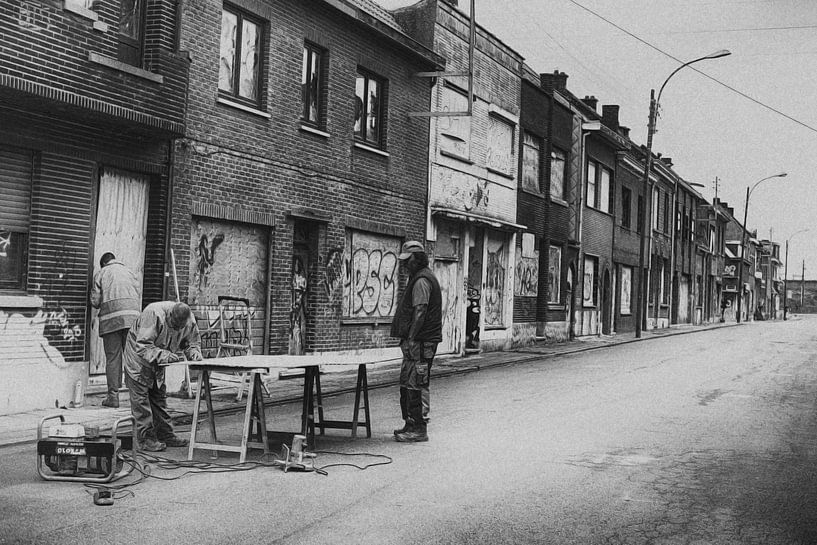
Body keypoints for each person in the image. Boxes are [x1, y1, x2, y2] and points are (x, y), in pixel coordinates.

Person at [123, 301, 203, 451]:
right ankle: (145, 439)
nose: (177, 329)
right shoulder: (153, 314)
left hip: (157, 361)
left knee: (158, 397)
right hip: (138, 360)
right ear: (170, 314)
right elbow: (143, 346)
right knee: (141, 401)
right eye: (174, 325)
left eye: (180, 327)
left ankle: (165, 434)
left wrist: (194, 352)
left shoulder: (189, 320)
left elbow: (191, 342)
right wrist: (164, 355)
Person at [390, 241, 442, 443]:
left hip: (421, 342)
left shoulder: (421, 280)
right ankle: (411, 423)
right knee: (408, 382)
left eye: (408, 261)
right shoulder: (418, 277)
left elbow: (420, 312)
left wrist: (411, 337)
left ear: (418, 259)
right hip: (417, 342)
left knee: (417, 383)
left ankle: (419, 428)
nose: (405, 265)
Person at [90, 252, 141, 408]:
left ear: (103, 263)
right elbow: (137, 294)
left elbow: (95, 301)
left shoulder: (101, 273)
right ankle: (137, 398)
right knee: (133, 358)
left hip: (111, 321)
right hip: (133, 319)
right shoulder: (130, 272)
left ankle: (113, 397)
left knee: (113, 359)